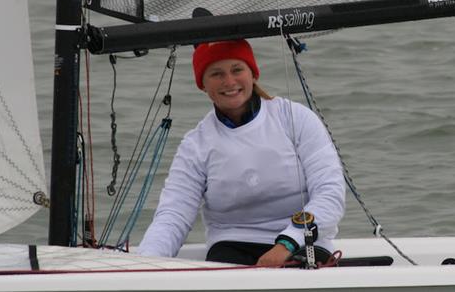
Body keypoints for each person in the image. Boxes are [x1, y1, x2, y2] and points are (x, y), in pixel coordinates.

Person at [137, 39, 345, 266]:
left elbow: (330, 193)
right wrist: (145, 263)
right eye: (216, 74)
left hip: (303, 243)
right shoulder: (196, 144)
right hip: (231, 246)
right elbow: (173, 216)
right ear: (202, 85)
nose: (229, 81)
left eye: (237, 70)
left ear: (253, 73)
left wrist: (286, 243)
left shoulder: (296, 118)